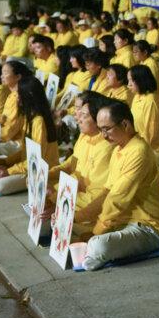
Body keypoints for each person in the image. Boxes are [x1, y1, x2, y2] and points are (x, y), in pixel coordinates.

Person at [78, 100, 159, 270]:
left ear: (125, 124)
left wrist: (97, 231)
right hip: (122, 221)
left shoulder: (139, 151)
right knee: (75, 228)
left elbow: (118, 198)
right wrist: (76, 218)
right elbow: (107, 193)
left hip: (148, 226)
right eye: (100, 130)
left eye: (106, 129)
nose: (104, 135)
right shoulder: (118, 149)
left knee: (98, 246)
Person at [51, 92, 116, 233]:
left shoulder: (107, 147)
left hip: (93, 206)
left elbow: (99, 197)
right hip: (79, 196)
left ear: (98, 119)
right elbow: (73, 167)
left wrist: (57, 197)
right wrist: (49, 178)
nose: (77, 117)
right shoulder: (84, 135)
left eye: (83, 114)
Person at [0, 75, 61, 195]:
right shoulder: (29, 116)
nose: (16, 98)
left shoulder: (39, 121)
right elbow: (25, 151)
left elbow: (37, 159)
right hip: (28, 165)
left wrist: (9, 171)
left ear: (28, 97)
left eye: (19, 95)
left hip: (40, 170)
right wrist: (6, 162)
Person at [129, 65, 159, 161]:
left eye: (131, 81)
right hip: (141, 145)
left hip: (157, 150)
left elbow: (149, 134)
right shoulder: (137, 97)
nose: (129, 84)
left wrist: (135, 150)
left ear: (140, 80)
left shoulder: (151, 101)